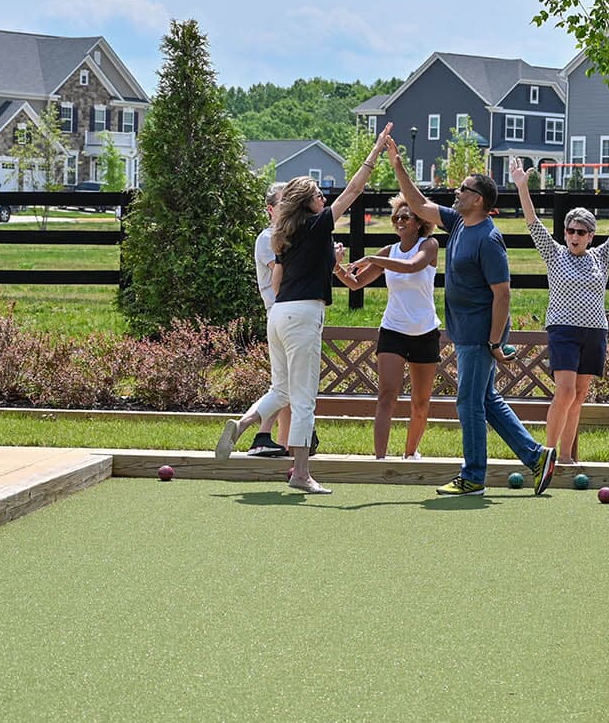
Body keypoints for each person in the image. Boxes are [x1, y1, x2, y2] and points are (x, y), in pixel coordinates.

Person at [216, 123, 393, 493]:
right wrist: (375, 153)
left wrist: (327, 264)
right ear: (307, 203)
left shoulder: (285, 233)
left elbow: (280, 283)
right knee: (303, 398)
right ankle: (300, 473)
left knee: (280, 389)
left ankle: (244, 424)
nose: (324, 199)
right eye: (317, 195)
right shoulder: (316, 225)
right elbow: (355, 190)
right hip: (303, 316)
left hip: (279, 315)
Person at [389, 136, 558, 496]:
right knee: (486, 400)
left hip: (481, 334)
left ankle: (474, 476)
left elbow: (503, 293)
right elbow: (418, 203)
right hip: (464, 330)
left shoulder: (488, 237)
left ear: (478, 200)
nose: (456, 192)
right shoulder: (458, 222)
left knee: (468, 402)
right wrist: (398, 163)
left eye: (463, 189)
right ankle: (537, 457)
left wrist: (495, 341)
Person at [511, 158, 609, 465]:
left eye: (582, 232)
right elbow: (532, 222)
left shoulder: (602, 256)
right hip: (562, 329)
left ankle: (565, 457)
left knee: (579, 394)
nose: (575, 236)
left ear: (590, 236)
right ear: (565, 232)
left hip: (594, 331)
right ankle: (545, 456)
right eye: (571, 230)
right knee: (563, 392)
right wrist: (523, 186)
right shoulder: (553, 253)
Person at [345, 194, 441, 460]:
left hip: (424, 332)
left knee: (420, 403)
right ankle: (380, 460)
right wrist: (333, 265)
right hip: (393, 330)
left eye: (405, 217)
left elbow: (413, 266)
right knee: (387, 395)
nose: (399, 221)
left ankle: (410, 454)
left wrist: (374, 259)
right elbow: (355, 284)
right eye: (396, 217)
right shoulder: (389, 251)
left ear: (419, 222)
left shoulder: (429, 245)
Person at [250, 182, 293, 457]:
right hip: (280, 313)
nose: (289, 210)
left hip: (290, 313)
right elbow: (284, 274)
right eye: (283, 205)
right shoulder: (268, 239)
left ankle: (284, 446)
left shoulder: (288, 237)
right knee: (283, 385)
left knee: (288, 386)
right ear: (270, 210)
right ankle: (258, 432)